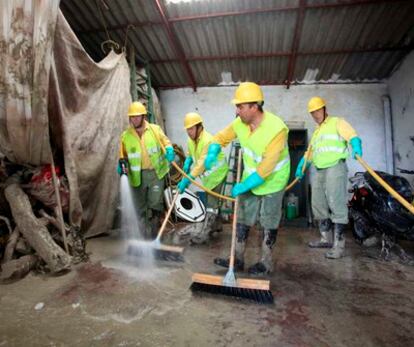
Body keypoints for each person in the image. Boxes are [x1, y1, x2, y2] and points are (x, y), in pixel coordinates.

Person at [204, 82, 290, 275]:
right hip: (250, 177)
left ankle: (266, 263)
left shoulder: (277, 129)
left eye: (240, 106)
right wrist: (213, 151)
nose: (237, 110)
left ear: (254, 106)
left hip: (273, 180)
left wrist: (243, 186)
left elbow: (265, 170)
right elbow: (220, 137)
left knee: (269, 221)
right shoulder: (240, 124)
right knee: (242, 217)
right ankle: (237, 259)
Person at [295, 96, 362, 259]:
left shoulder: (337, 122)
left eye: (317, 110)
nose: (315, 114)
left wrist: (355, 144)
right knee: (317, 203)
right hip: (319, 170)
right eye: (312, 112)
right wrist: (302, 164)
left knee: (336, 202)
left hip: (335, 167)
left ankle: (338, 245)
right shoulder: (317, 132)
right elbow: (311, 152)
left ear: (324, 109)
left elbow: (352, 135)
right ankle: (326, 238)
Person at [118, 101, 175, 237]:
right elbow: (123, 155)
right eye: (132, 117)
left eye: (137, 116)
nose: (134, 119)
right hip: (137, 176)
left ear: (144, 116)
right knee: (140, 208)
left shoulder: (155, 130)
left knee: (155, 205)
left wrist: (169, 149)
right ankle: (142, 237)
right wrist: (121, 165)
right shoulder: (126, 136)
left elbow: (166, 141)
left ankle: (154, 236)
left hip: (156, 174)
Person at [176, 112, 229, 243]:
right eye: (187, 129)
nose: (189, 132)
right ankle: (217, 225)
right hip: (208, 177)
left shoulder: (207, 140)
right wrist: (188, 161)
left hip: (217, 174)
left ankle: (204, 234)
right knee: (213, 202)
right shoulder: (191, 140)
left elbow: (200, 165)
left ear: (199, 127)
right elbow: (191, 153)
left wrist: (187, 179)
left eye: (191, 129)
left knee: (211, 204)